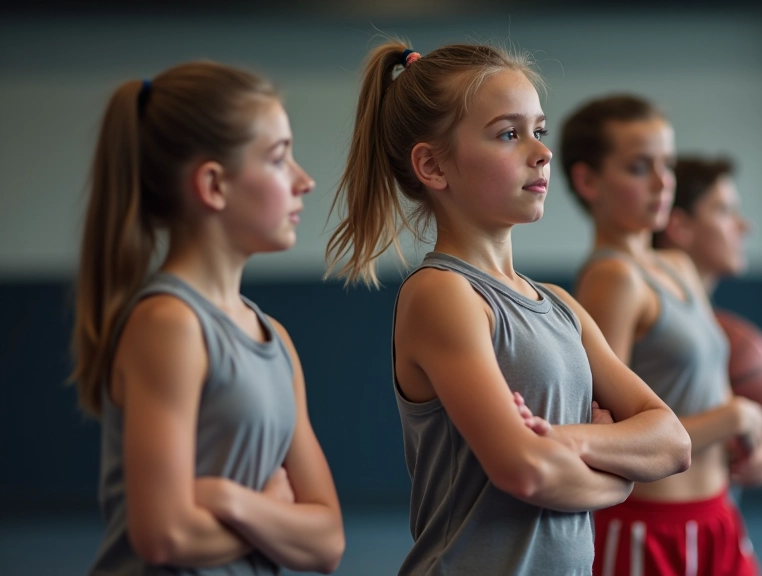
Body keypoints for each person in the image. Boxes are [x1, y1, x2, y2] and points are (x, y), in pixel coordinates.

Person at [325, 42, 691, 576]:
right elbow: (525, 472)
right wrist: (621, 475)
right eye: (508, 134)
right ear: (432, 165)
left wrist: (564, 439)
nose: (541, 152)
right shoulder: (443, 294)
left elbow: (673, 441)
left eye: (538, 131)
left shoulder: (561, 304)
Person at [71, 61, 345, 575]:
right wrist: (276, 511)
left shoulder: (276, 339)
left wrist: (230, 500)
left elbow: (327, 541)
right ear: (214, 185)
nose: (304, 181)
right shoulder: (169, 325)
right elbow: (165, 534)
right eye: (279, 158)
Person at [561, 95, 762, 576]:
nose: (662, 183)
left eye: (667, 164)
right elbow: (608, 441)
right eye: (638, 168)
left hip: (717, 515)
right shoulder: (612, 279)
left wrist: (752, 438)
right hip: (648, 530)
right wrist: (733, 417)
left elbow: (712, 388)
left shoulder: (676, 264)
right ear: (588, 181)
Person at [653, 157, 762, 491]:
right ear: (680, 227)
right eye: (724, 211)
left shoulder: (716, 332)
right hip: (658, 522)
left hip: (717, 515)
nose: (744, 226)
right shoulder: (650, 321)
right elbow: (625, 439)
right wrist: (730, 421)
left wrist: (760, 448)